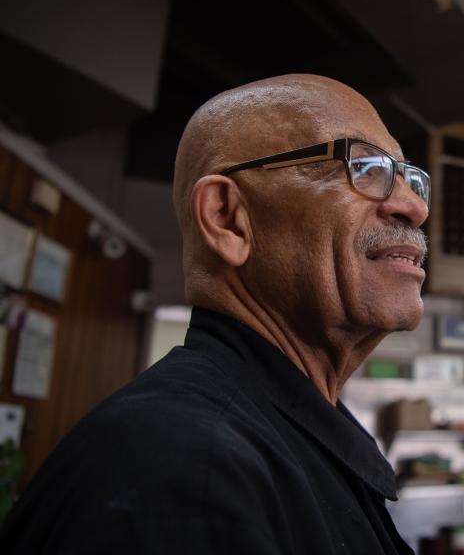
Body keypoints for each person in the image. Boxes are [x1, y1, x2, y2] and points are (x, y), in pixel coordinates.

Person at [0, 74, 430, 553]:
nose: (413, 206)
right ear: (228, 218)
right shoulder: (182, 473)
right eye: (364, 166)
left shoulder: (268, 443)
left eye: (411, 179)